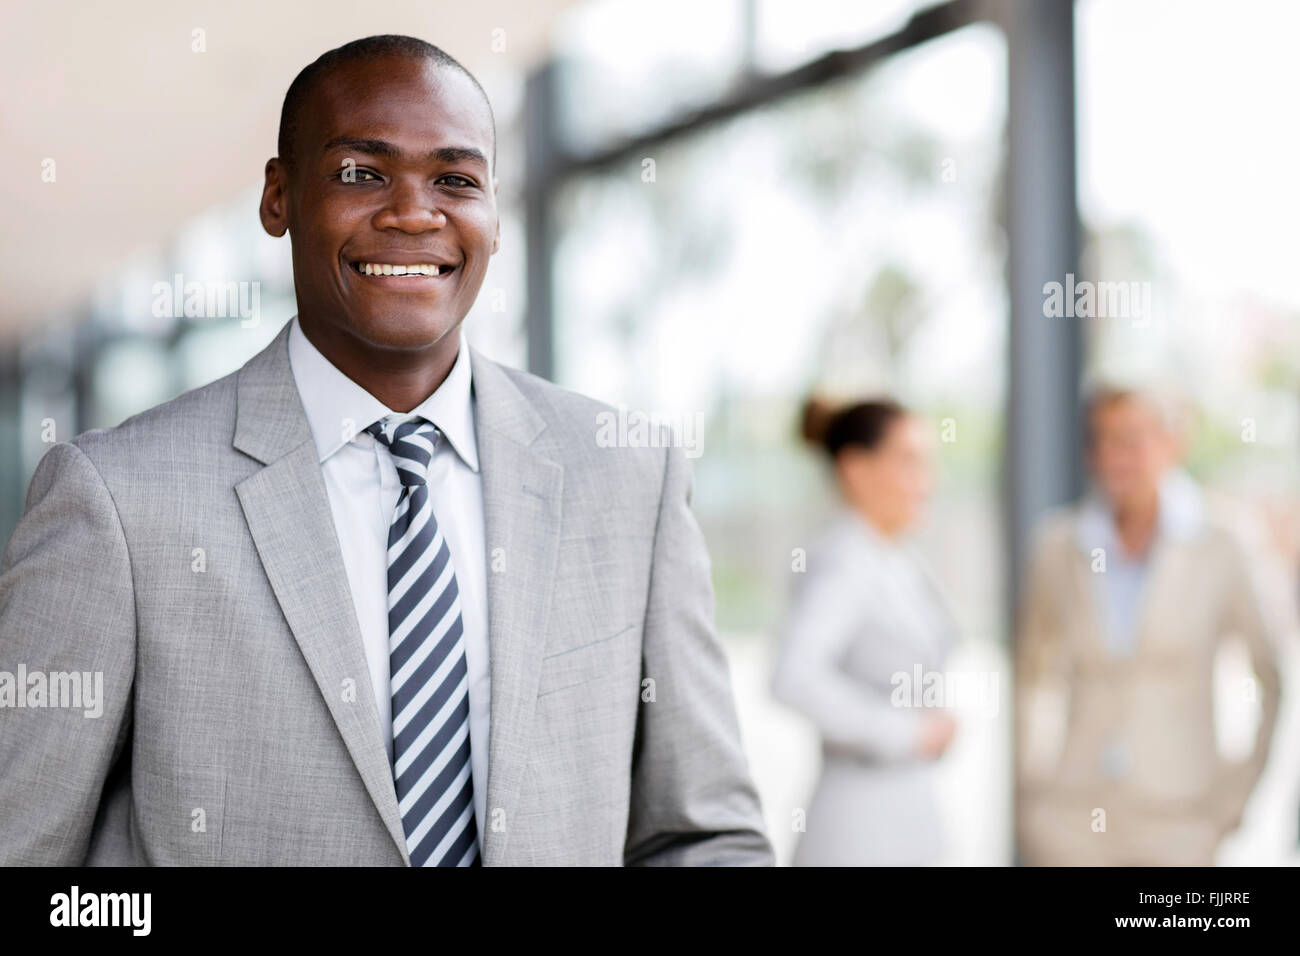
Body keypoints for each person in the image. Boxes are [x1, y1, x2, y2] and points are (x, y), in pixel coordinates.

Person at [0, 35, 773, 867]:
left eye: (456, 179)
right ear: (278, 197)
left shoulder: (627, 478)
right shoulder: (116, 500)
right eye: (362, 174)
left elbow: (704, 835)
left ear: (497, 215)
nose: (414, 212)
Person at [1016, 385, 1289, 865]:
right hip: (1074, 818)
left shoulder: (1223, 543)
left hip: (1180, 821)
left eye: (1130, 440)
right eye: (1099, 441)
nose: (1111, 456)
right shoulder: (1058, 545)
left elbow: (1270, 675)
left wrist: (1232, 801)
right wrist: (1033, 789)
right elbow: (1032, 677)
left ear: (1174, 442)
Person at [772, 397, 959, 865]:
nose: (927, 482)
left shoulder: (893, 557)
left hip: (902, 808)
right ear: (855, 468)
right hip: (858, 823)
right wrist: (905, 733)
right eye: (909, 462)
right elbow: (792, 676)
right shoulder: (844, 559)